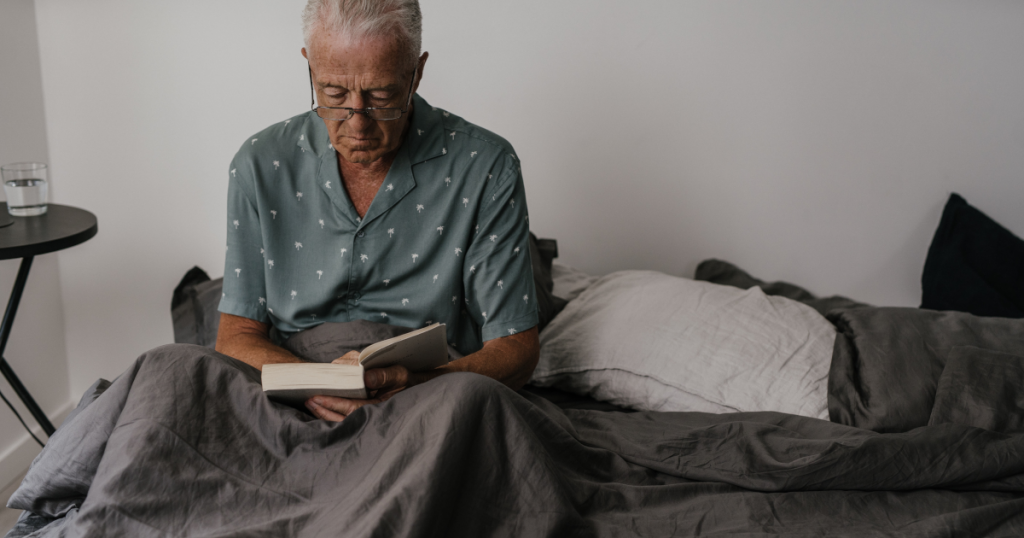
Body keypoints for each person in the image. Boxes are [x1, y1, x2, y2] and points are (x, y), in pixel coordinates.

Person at [215, 0, 539, 421]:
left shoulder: (486, 167)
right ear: (310, 68)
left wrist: (416, 389)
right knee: (167, 376)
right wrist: (314, 383)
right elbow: (236, 335)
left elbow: (516, 347)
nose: (357, 122)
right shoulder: (259, 164)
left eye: (382, 95)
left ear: (416, 74)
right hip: (292, 389)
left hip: (430, 396)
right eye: (333, 94)